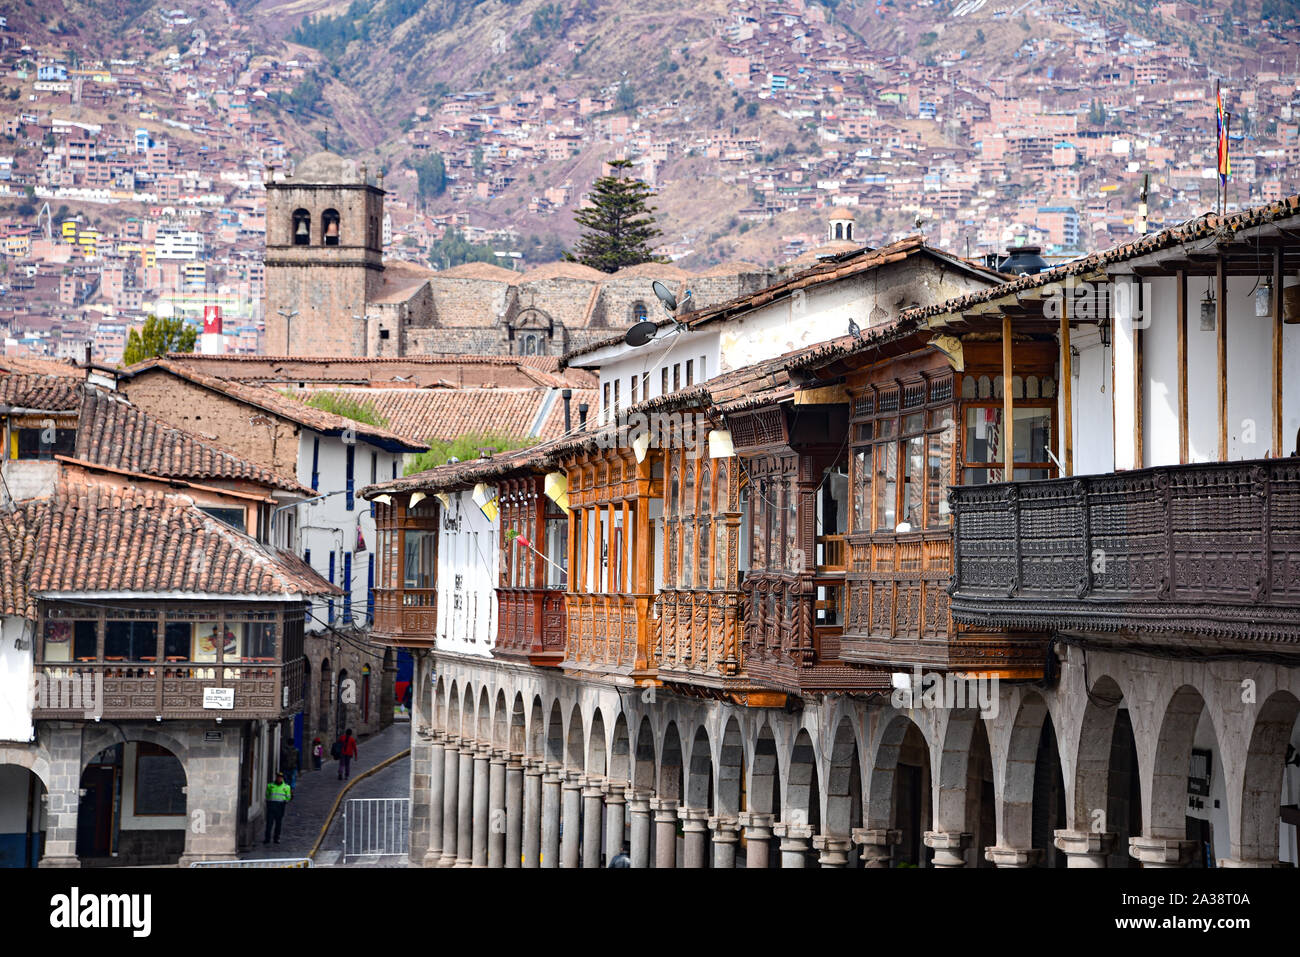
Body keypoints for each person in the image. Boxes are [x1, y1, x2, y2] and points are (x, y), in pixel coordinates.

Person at [263, 771, 292, 844]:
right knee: (269, 823)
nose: (279, 779)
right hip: (271, 806)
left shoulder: (286, 787)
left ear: (282, 778)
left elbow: (288, 797)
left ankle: (276, 838)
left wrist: (285, 801)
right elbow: (267, 795)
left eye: (280, 777)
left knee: (278, 824)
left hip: (280, 806)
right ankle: (267, 838)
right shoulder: (270, 785)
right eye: (278, 777)